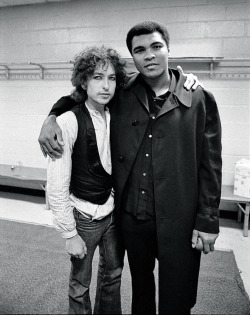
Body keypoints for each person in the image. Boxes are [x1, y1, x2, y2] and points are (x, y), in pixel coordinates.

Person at [39, 21, 222, 315]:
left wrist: (208, 220)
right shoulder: (122, 92)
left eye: (156, 46)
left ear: (168, 49)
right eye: (139, 50)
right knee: (140, 290)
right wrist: (51, 117)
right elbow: (79, 95)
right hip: (133, 218)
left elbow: (211, 165)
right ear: (133, 58)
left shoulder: (198, 97)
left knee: (178, 294)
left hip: (180, 217)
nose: (148, 55)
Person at [46, 46, 126, 314]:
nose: (106, 86)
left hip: (113, 213)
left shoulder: (115, 113)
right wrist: (69, 233)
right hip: (83, 216)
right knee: (80, 284)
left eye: (111, 78)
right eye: (97, 77)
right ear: (83, 81)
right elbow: (56, 187)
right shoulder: (68, 122)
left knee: (113, 276)